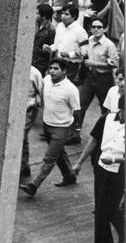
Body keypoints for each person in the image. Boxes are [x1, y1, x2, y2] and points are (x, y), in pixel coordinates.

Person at [19, 58, 80, 196]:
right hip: (47, 126)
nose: (52, 71)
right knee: (59, 154)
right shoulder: (46, 80)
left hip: (61, 128)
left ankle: (33, 186)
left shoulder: (70, 89)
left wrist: (75, 130)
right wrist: (38, 98)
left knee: (49, 158)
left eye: (56, 68)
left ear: (64, 71)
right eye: (51, 68)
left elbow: (77, 111)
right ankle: (69, 176)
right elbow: (39, 92)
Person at [72, 95, 124, 243]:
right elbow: (93, 141)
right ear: (121, 109)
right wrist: (79, 162)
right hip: (101, 169)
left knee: (111, 210)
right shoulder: (106, 119)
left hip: (120, 173)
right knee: (100, 211)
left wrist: (114, 160)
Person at [74, 18, 119, 141]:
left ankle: (105, 136)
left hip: (104, 79)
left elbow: (115, 63)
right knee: (80, 105)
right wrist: (80, 52)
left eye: (99, 27)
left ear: (104, 29)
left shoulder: (109, 45)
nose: (96, 29)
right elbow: (83, 52)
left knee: (106, 109)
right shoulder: (89, 40)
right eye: (93, 27)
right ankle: (75, 133)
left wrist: (95, 63)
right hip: (90, 78)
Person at [44, 5, 88, 84]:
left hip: (70, 65)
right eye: (63, 13)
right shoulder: (60, 26)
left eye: (67, 14)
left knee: (63, 86)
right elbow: (57, 44)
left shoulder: (80, 31)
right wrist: (49, 48)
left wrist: (69, 54)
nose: (63, 16)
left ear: (74, 17)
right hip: (57, 61)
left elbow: (84, 51)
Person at [21, 66, 44, 178]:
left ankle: (23, 167)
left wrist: (37, 101)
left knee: (21, 135)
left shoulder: (34, 73)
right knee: (18, 137)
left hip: (28, 107)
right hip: (14, 106)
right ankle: (23, 166)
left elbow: (41, 91)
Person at [32, 4, 56, 76]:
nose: (35, 15)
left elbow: (52, 49)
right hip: (31, 59)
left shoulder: (51, 29)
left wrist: (49, 68)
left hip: (41, 64)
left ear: (44, 16)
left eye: (37, 13)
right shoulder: (34, 24)